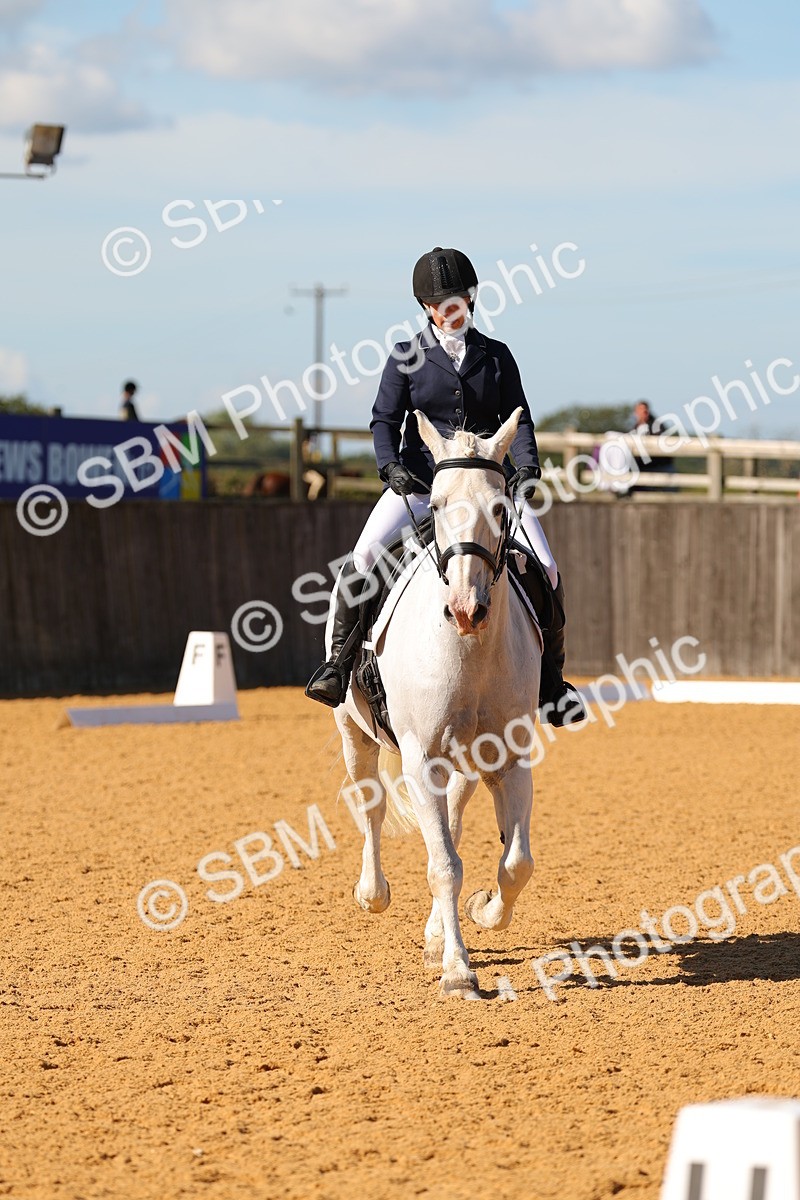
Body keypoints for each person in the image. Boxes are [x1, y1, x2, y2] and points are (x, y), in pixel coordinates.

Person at [305, 247, 585, 726]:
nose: (451, 308)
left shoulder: (496, 356)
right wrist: (390, 466)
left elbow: (520, 419)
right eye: (441, 302)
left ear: (470, 301)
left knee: (547, 567)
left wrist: (527, 468)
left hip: (487, 488)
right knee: (365, 557)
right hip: (419, 485)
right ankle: (338, 665)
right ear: (427, 308)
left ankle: (553, 684)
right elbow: (384, 420)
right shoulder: (405, 357)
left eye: (459, 298)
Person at [630, 399, 675, 491]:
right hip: (642, 466)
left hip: (657, 465)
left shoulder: (657, 425)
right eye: (638, 411)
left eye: (644, 411)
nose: (641, 414)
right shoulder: (635, 427)